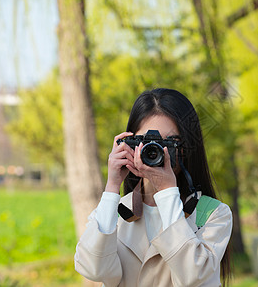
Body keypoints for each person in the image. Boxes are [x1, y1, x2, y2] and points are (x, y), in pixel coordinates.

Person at [74, 88, 233, 286]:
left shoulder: (211, 213)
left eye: (171, 142)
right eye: (147, 141)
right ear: (130, 144)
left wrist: (167, 191)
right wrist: (112, 186)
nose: (159, 150)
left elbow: (193, 276)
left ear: (186, 147)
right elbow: (93, 269)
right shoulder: (114, 213)